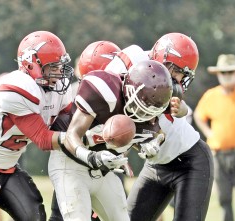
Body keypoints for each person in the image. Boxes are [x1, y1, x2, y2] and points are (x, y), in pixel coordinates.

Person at [48, 59, 173, 221]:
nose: (143, 117)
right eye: (140, 107)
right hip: (70, 165)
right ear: (129, 90)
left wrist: (154, 144)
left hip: (103, 173)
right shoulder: (104, 91)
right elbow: (72, 135)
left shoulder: (150, 107)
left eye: (149, 112)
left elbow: (159, 133)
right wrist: (92, 157)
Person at [0, 30, 74, 221]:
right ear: (31, 64)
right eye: (53, 66)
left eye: (60, 65)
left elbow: (70, 123)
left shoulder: (55, 91)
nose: (59, 72)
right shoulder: (17, 89)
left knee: (34, 216)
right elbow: (43, 139)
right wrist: (80, 139)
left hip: (8, 168)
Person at [127, 32, 214, 221]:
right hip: (156, 165)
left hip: (191, 162)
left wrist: (181, 109)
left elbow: (180, 109)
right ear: (165, 59)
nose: (180, 78)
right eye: (179, 71)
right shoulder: (133, 61)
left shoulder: (168, 87)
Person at [48, 40, 121, 221]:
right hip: (73, 162)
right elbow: (63, 133)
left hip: (102, 165)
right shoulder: (75, 93)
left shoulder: (120, 93)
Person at [194, 54, 235, 221]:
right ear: (218, 75)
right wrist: (208, 133)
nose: (227, 76)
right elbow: (198, 115)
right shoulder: (211, 95)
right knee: (224, 199)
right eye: (223, 72)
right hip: (219, 155)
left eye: (230, 72)